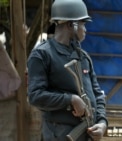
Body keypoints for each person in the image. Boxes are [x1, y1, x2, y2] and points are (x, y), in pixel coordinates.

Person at [27, 0, 108, 141]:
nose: (86, 29)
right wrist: (70, 100)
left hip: (87, 133)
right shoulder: (42, 54)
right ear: (72, 25)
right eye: (83, 24)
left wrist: (102, 123)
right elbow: (35, 96)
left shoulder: (83, 57)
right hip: (59, 134)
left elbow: (97, 95)